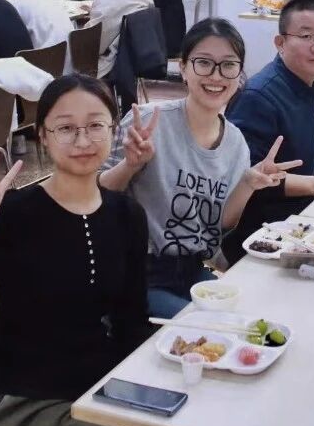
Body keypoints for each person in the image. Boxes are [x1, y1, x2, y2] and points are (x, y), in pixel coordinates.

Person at [0, 76, 155, 426]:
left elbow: (132, 318)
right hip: (24, 398)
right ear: (42, 136)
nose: (82, 140)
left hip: (97, 382)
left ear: (114, 130)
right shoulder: (13, 214)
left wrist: (133, 391)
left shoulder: (126, 215)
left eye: (95, 125)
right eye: (65, 128)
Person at [99, 19, 296, 316]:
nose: (216, 76)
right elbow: (98, 197)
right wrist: (130, 165)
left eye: (228, 65)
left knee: (253, 317)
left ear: (239, 73)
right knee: (211, 327)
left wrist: (248, 183)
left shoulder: (236, 143)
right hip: (139, 274)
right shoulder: (148, 122)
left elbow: (223, 222)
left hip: (192, 271)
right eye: (203, 63)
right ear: (183, 68)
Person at [222, 0, 314, 263]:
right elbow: (247, 177)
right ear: (280, 43)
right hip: (265, 237)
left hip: (308, 221)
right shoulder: (259, 97)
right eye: (306, 37)